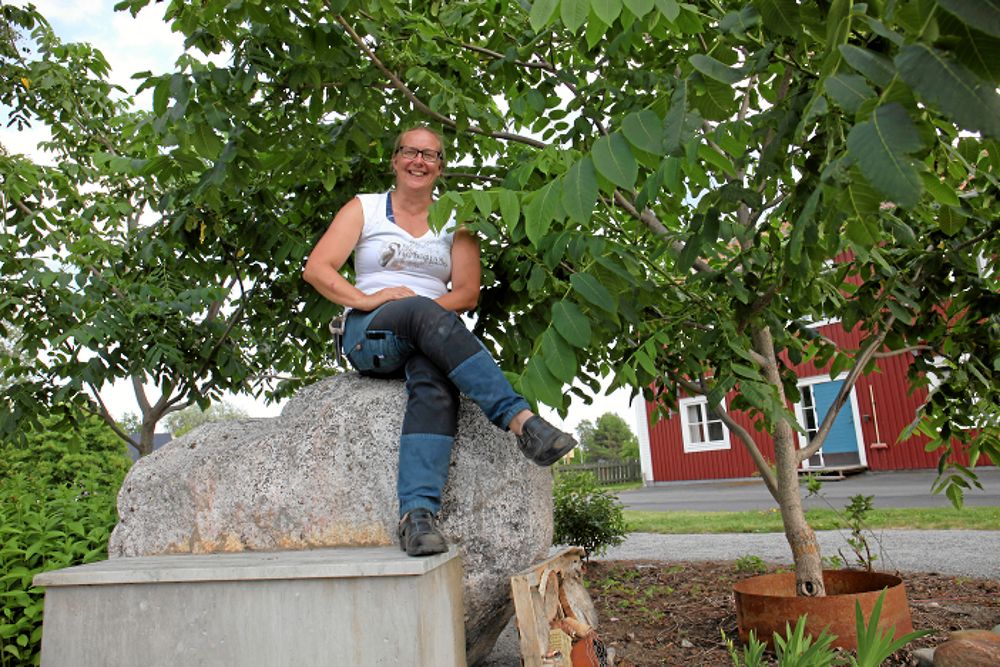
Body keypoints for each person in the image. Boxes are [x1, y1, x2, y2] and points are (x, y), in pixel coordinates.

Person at [303, 125, 578, 557]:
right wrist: (366, 298)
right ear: (395, 160)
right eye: (411, 152)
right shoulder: (365, 209)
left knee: (436, 384)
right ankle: (521, 422)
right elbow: (317, 268)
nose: (419, 161)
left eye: (430, 155)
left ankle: (417, 517)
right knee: (415, 306)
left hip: (430, 334)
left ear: (440, 168)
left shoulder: (457, 220)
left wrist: (426, 313)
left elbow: (467, 293)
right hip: (370, 334)